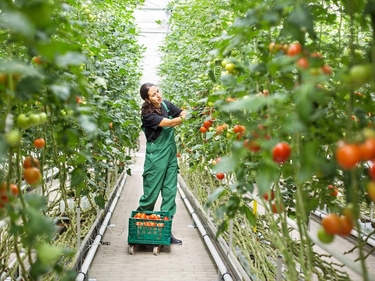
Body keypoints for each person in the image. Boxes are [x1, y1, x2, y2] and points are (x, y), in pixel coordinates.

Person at [137, 82, 187, 245]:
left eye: (158, 91)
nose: (158, 95)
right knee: (150, 195)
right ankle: (141, 230)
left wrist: (186, 113)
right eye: (153, 94)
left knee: (170, 193)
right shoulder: (147, 115)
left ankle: (166, 232)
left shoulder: (166, 104)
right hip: (156, 158)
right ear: (147, 99)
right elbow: (171, 122)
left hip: (170, 156)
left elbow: (181, 112)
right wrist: (185, 117)